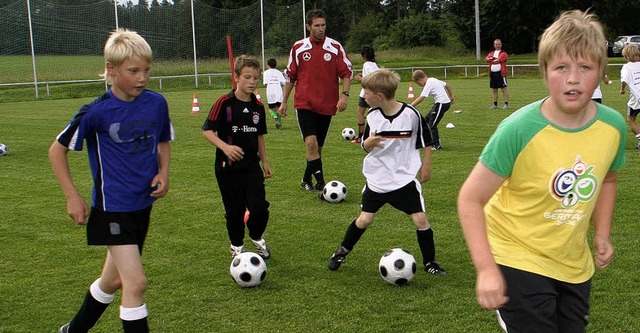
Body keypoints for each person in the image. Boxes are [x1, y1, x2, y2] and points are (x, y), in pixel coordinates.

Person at [457, 10, 625, 332]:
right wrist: (486, 269)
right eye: (561, 67)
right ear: (544, 72)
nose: (573, 78)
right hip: (515, 255)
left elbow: (608, 179)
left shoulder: (612, 127)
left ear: (601, 72)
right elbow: (470, 198)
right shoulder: (518, 130)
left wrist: (602, 233)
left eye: (585, 67)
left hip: (574, 264)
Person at [50, 29, 173, 333]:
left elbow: (163, 140)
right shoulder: (96, 112)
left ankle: (73, 330)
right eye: (133, 71)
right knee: (136, 283)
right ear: (111, 69)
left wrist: (164, 172)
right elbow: (57, 151)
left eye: (147, 70)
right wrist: (72, 196)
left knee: (114, 280)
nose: (142, 77)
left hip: (142, 204)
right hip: (111, 208)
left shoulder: (156, 103)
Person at [327, 69, 447, 276]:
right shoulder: (373, 116)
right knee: (364, 219)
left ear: (379, 96)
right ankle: (341, 252)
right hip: (377, 179)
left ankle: (430, 263)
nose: (364, 95)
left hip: (404, 179)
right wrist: (367, 143)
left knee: (420, 220)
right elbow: (365, 146)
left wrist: (426, 165)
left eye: (366, 91)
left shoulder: (411, 115)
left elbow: (427, 140)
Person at [202, 55, 273, 259]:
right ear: (237, 77)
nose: (252, 82)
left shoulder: (258, 107)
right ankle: (237, 246)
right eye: (247, 77)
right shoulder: (224, 103)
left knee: (259, 207)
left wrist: (265, 161)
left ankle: (256, 236)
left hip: (251, 166)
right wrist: (225, 147)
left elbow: (259, 136)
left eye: (256, 78)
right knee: (234, 210)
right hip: (227, 167)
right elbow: (207, 131)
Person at [279, 8, 353, 192]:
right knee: (311, 143)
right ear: (308, 27)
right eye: (317, 25)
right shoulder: (298, 47)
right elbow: (290, 76)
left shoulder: (335, 47)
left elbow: (346, 73)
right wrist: (284, 101)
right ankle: (322, 185)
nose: (321, 29)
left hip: (327, 105)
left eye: (323, 25)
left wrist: (344, 95)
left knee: (317, 148)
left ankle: (306, 179)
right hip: (304, 104)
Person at [410, 70, 455, 150]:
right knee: (426, 121)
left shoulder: (429, 83)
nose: (420, 85)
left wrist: (410, 106)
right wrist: (451, 96)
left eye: (418, 84)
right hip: (440, 103)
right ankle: (426, 141)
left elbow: (421, 98)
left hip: (442, 103)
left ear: (420, 79)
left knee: (432, 125)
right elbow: (447, 85)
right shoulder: (433, 79)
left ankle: (436, 145)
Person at [352, 44, 379, 144]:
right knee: (375, 114)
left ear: (363, 55)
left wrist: (360, 78)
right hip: (375, 94)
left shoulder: (366, 65)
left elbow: (370, 80)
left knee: (360, 113)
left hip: (366, 94)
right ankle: (375, 134)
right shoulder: (375, 66)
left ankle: (361, 136)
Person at [619, 44, 640, 149]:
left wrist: (622, 90)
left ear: (626, 56)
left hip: (637, 98)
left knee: (631, 119)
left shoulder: (626, 67)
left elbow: (624, 81)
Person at [485, 39, 509, 110]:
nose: (498, 45)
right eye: (496, 44)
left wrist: (492, 59)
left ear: (501, 44)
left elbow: (499, 60)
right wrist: (492, 59)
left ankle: (506, 104)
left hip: (501, 74)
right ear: (494, 45)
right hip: (493, 74)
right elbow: (486, 59)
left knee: (503, 89)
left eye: (499, 44)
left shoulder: (503, 53)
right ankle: (495, 104)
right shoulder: (491, 53)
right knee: (494, 89)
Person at [263, 58, 285, 129]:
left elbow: (265, 83)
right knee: (278, 108)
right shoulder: (279, 72)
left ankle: (274, 116)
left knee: (271, 108)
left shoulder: (266, 72)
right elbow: (283, 82)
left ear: (268, 64)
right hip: (278, 91)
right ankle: (280, 125)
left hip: (270, 91)